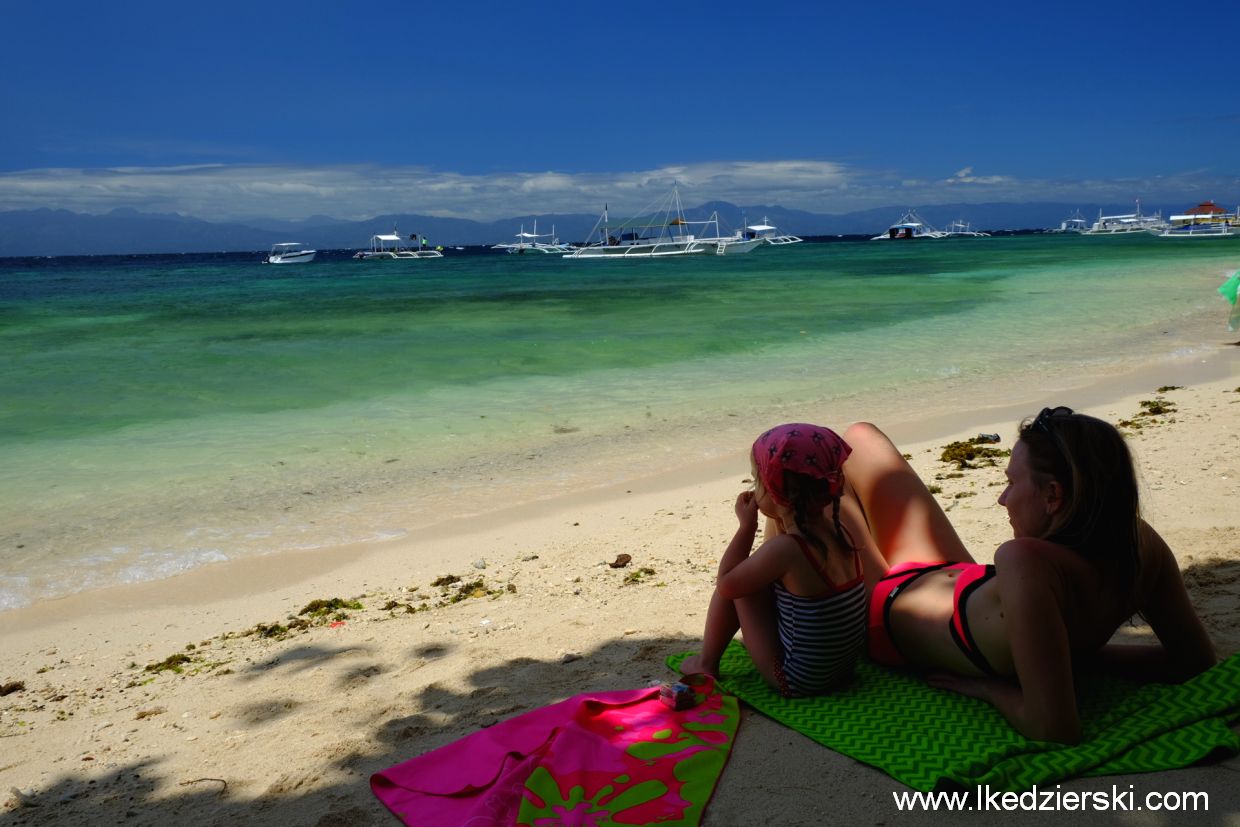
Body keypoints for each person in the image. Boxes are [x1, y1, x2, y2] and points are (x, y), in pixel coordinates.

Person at [841, 408, 1216, 743]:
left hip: (880, 612)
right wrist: (1080, 658)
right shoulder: (1138, 543)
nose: (1002, 499)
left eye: (1011, 483)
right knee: (858, 437)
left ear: (1053, 495)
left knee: (798, 469)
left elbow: (1055, 727)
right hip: (954, 582)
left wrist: (990, 690)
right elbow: (1193, 660)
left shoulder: (1025, 559)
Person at [680, 424, 886, 697]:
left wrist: (746, 527)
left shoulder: (787, 549)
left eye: (757, 480)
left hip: (797, 680)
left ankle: (707, 662)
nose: (754, 487)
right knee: (757, 579)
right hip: (842, 670)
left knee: (741, 583)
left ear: (775, 492)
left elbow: (727, 584)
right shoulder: (839, 530)